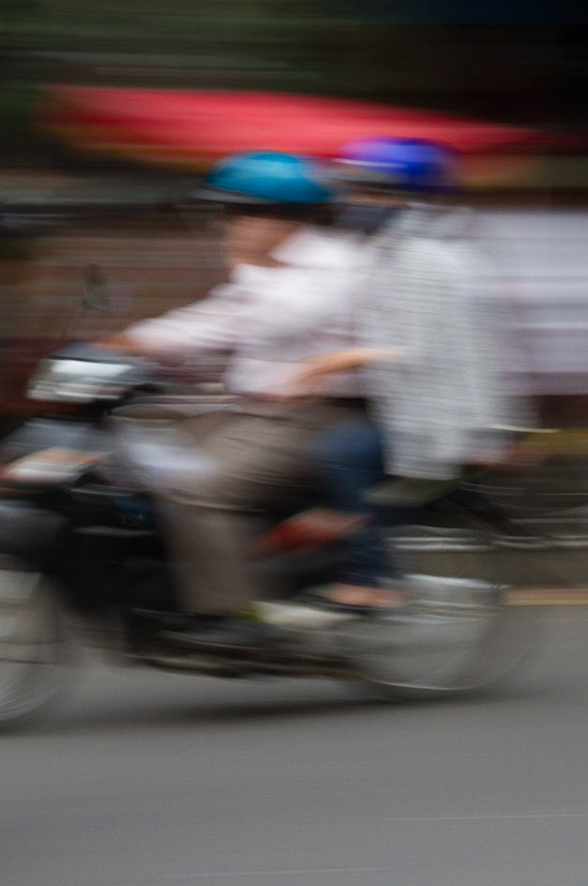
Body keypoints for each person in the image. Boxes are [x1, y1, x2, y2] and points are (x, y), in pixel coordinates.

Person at [104, 151, 364, 652]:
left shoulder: (335, 265)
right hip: (254, 411)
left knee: (198, 487)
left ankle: (239, 614)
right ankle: (175, 588)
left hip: (318, 416)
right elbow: (212, 319)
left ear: (277, 216)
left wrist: (246, 267)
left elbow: (278, 318)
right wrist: (126, 344)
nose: (224, 225)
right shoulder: (269, 269)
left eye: (235, 213)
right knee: (139, 463)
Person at [282, 136, 529, 613]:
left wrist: (331, 362)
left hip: (442, 418)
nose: (355, 202)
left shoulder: (422, 257)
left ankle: (371, 578)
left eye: (369, 192)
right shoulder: (407, 250)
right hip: (427, 406)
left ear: (408, 199)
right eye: (356, 191)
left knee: (340, 452)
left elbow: (415, 347)